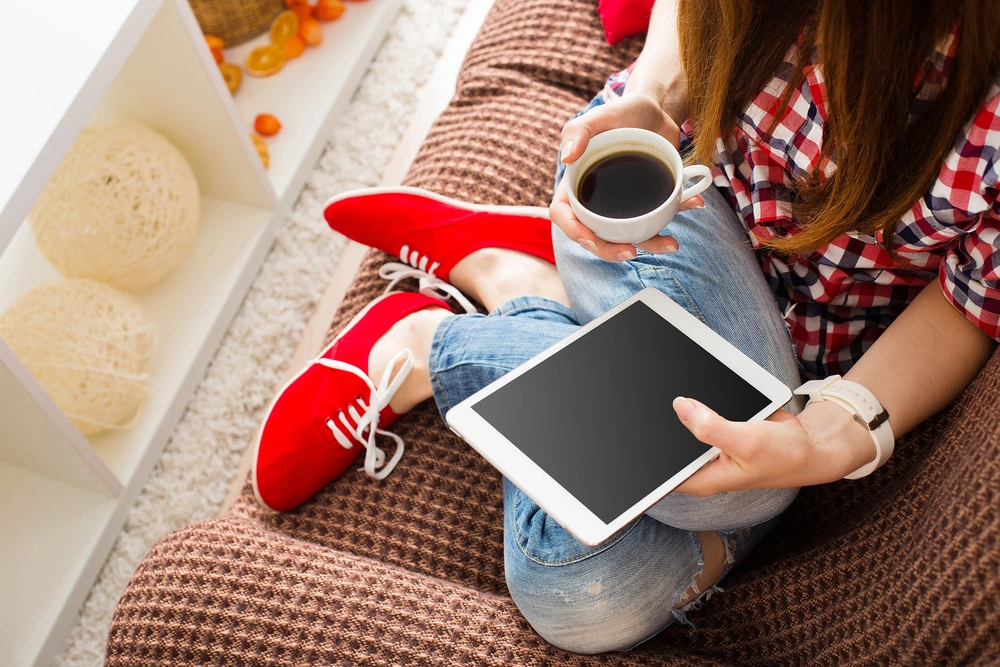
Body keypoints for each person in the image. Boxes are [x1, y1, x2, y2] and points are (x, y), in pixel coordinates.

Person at [251, 0, 1000, 654]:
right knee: (731, 493)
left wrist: (831, 436)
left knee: (577, 590)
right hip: (667, 217)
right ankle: (434, 347)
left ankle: (518, 292)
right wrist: (652, 98)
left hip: (818, 343)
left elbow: (968, 304)